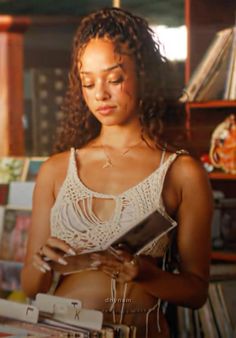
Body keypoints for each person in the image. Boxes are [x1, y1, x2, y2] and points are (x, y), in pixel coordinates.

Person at [21, 7, 213, 338]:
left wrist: (143, 274)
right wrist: (43, 262)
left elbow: (196, 293)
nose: (101, 94)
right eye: (88, 82)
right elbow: (29, 286)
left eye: (114, 79)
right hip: (56, 329)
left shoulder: (182, 172)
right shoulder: (57, 169)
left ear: (143, 74)